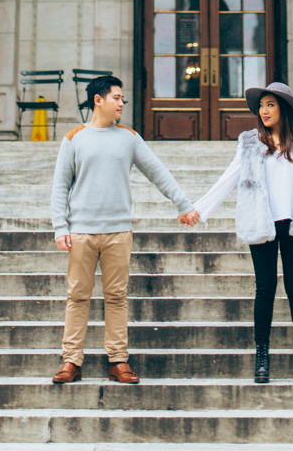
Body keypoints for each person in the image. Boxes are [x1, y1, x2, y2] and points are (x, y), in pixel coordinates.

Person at [50, 74, 194, 384]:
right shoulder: (74, 138)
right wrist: (60, 226)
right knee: (77, 296)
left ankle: (118, 360)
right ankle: (71, 360)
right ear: (98, 100)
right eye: (117, 98)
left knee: (116, 297)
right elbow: (60, 187)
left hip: (118, 232)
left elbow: (159, 173)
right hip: (81, 232)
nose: (122, 103)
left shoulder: (129, 138)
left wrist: (183, 204)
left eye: (123, 98)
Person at [180, 82, 293, 384]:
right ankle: (262, 356)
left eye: (270, 105)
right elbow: (228, 178)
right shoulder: (249, 142)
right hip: (262, 223)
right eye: (261, 106)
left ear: (283, 108)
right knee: (265, 288)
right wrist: (199, 210)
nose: (264, 110)